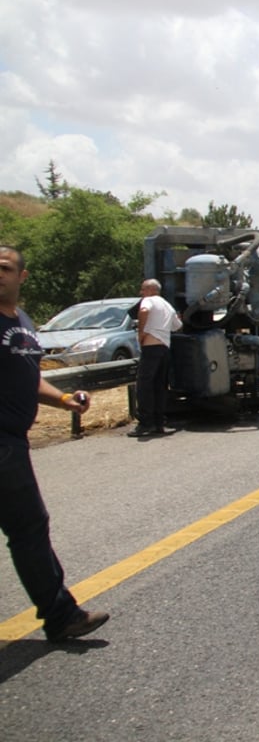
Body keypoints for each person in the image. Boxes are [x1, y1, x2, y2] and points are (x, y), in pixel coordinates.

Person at [0, 245, 110, 642]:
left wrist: (64, 400)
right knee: (29, 529)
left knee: (30, 528)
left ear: (21, 277)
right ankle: (62, 616)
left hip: (12, 443)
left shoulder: (23, 322)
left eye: (6, 267)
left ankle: (61, 616)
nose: (0, 273)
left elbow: (28, 378)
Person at [128, 278, 182, 437]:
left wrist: (141, 332)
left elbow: (144, 311)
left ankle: (145, 423)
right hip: (165, 347)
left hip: (151, 346)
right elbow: (178, 326)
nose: (141, 293)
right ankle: (160, 423)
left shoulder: (148, 300)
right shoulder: (167, 305)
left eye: (143, 289)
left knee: (144, 386)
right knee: (160, 386)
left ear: (151, 290)